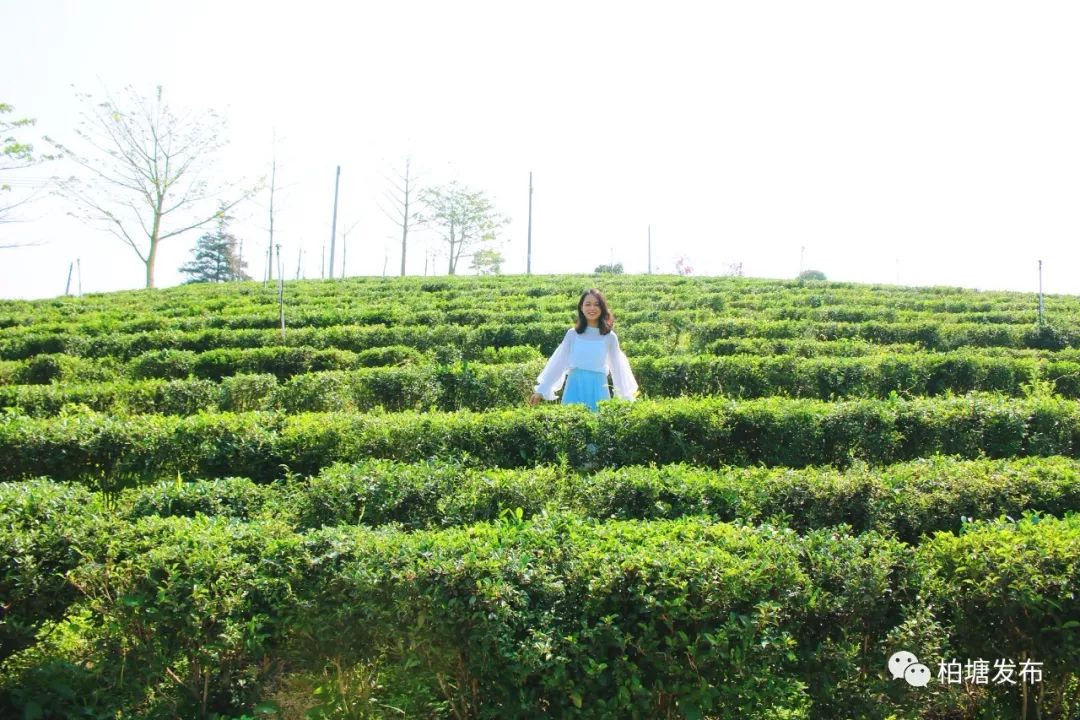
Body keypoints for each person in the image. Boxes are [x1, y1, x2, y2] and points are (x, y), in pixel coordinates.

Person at [528, 288, 638, 411]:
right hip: (574, 385)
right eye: (588, 304)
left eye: (596, 304)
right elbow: (558, 363)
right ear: (581, 307)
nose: (592, 308)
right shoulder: (572, 334)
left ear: (602, 308)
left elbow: (618, 368)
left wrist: (626, 397)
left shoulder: (609, 337)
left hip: (598, 387)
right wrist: (541, 390)